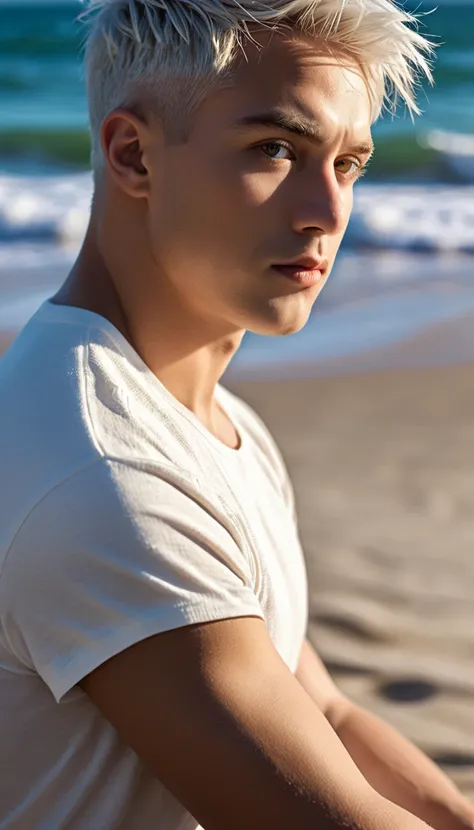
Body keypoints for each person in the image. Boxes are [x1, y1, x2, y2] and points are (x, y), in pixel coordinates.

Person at [0, 0, 472, 828]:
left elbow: (323, 715)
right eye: (276, 150)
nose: (326, 213)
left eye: (349, 164)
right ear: (133, 154)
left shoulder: (217, 426)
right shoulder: (106, 475)